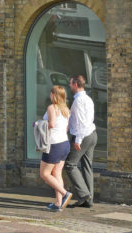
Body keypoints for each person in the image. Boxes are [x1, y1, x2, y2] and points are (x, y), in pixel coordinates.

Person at [37, 84, 72, 211]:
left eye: (51, 93)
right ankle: (58, 203)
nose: (50, 95)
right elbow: (67, 128)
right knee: (56, 173)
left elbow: (51, 124)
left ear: (54, 95)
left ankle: (64, 193)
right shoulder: (66, 109)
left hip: (54, 145)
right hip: (64, 143)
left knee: (44, 173)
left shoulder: (52, 107)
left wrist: (38, 124)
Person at [66, 74, 97, 208]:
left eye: (70, 83)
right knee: (87, 166)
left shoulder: (78, 101)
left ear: (76, 84)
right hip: (92, 134)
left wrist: (78, 139)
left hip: (82, 136)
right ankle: (88, 200)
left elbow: (81, 122)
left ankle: (84, 194)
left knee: (70, 164)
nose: (69, 85)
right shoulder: (88, 99)